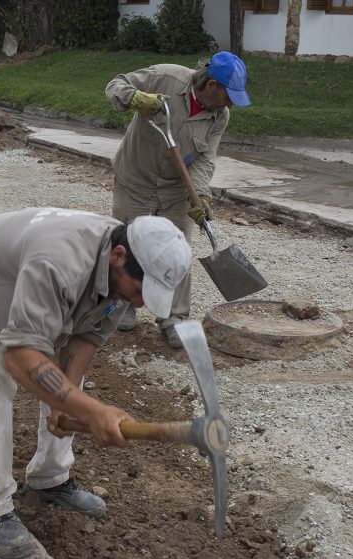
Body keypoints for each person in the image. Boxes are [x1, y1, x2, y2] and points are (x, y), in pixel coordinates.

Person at [0, 208, 191, 559]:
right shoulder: (59, 263)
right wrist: (93, 411)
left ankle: (50, 479)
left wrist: (64, 405)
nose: (140, 302)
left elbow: (83, 341)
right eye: (140, 289)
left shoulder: (117, 275)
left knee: (69, 387)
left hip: (25, 289)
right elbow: (20, 358)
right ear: (118, 256)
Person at [105, 51, 251, 348]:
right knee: (125, 243)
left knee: (178, 249)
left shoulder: (219, 116)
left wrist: (200, 195)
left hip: (174, 188)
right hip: (135, 178)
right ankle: (122, 306)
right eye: (230, 95)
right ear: (212, 86)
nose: (232, 102)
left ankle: (173, 319)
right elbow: (115, 84)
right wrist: (134, 98)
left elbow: (204, 160)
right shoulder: (166, 77)